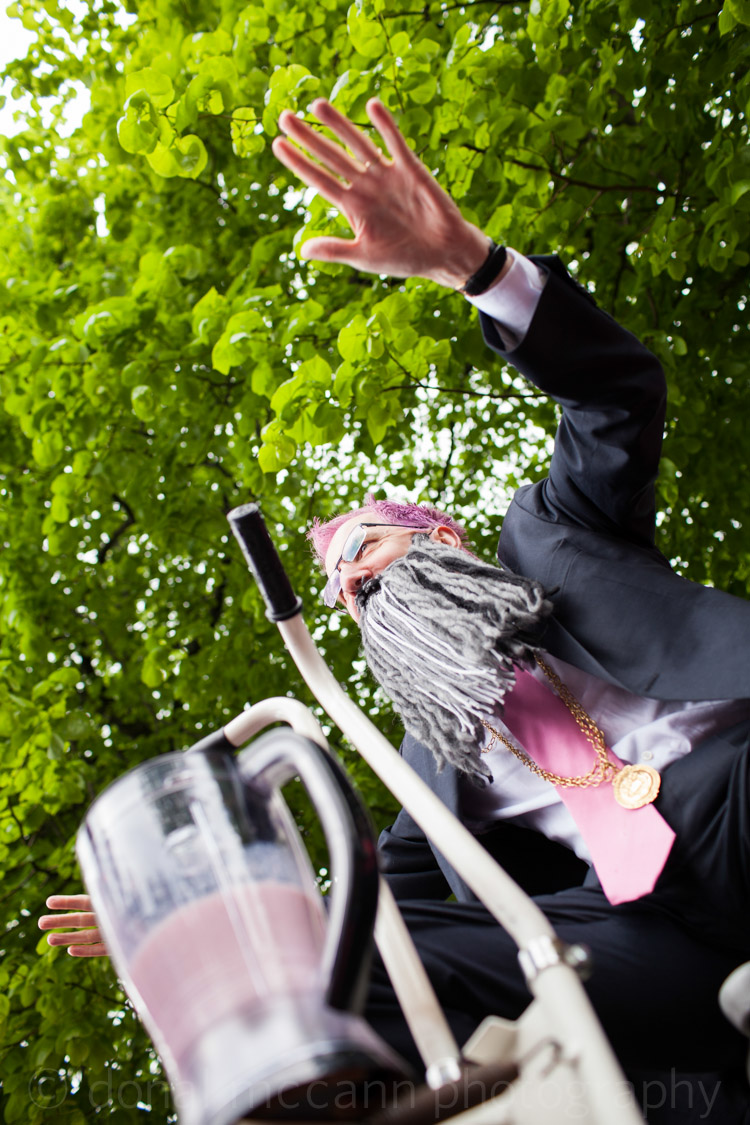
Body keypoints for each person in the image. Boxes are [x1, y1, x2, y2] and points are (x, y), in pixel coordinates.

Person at [41, 98, 750, 1122]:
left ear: (442, 536)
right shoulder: (425, 766)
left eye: (367, 551)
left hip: (730, 790)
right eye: (342, 591)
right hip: (644, 934)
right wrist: (209, 935)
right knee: (354, 967)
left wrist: (474, 265)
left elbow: (618, 400)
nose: (357, 586)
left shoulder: (558, 539)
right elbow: (373, 919)